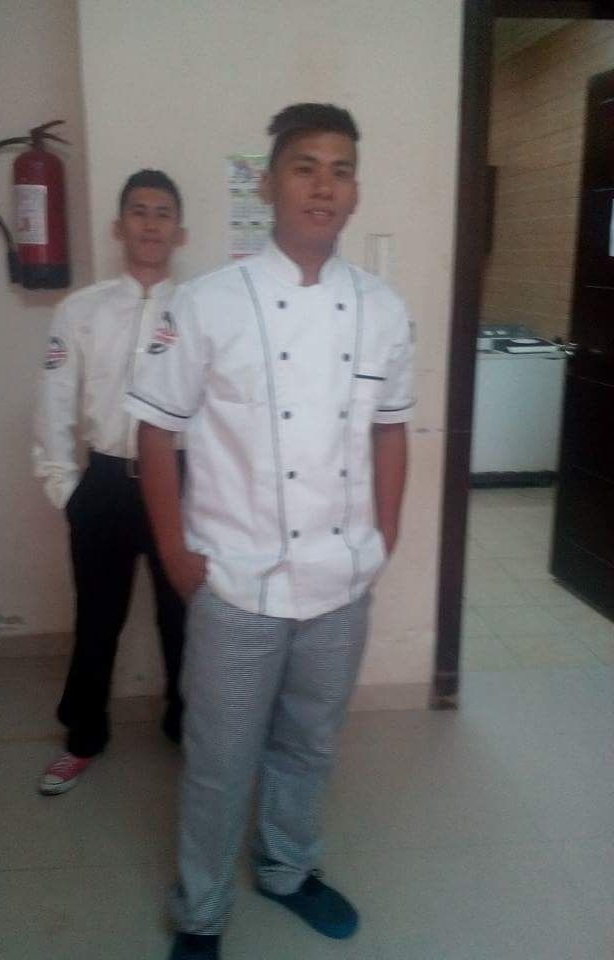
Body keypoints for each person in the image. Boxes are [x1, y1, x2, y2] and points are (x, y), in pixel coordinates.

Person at [129, 104, 415, 960]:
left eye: (340, 170)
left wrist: (382, 540)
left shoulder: (383, 309)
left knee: (309, 744)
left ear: (355, 191)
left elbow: (390, 431)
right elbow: (154, 433)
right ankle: (202, 913)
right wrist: (176, 555)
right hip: (236, 582)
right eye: (304, 167)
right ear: (268, 183)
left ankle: (288, 871)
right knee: (218, 762)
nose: (323, 186)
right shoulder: (206, 303)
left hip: (341, 581)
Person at [33, 169, 188, 796]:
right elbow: (53, 404)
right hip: (103, 484)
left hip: (180, 483)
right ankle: (83, 737)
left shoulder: (202, 310)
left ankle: (188, 727)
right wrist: (68, 492)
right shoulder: (80, 311)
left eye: (163, 213)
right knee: (98, 620)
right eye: (139, 212)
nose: (151, 224)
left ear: (180, 231)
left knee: (185, 618)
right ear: (119, 226)